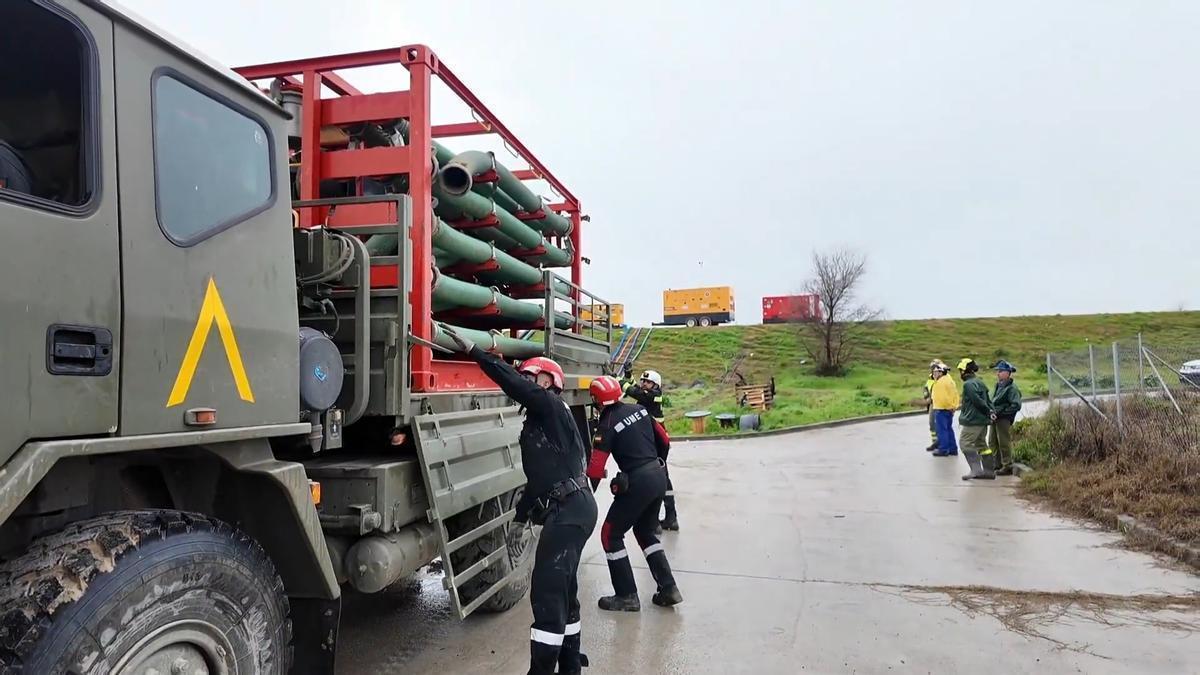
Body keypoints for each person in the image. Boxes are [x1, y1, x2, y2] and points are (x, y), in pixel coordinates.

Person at [442, 328, 598, 675]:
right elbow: (538, 482)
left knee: (545, 595)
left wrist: (477, 352)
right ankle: (570, 667)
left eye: (532, 376)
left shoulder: (551, 405)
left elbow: (515, 385)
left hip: (569, 511)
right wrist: (519, 518)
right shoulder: (543, 422)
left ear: (549, 381)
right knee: (564, 591)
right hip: (573, 507)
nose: (527, 380)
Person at [586, 375, 683, 611]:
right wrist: (655, 464)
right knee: (645, 532)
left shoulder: (606, 426)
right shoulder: (639, 409)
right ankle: (668, 588)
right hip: (659, 475)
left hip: (638, 481)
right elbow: (665, 440)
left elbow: (596, 468)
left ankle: (627, 595)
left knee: (610, 534)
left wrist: (587, 495)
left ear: (598, 402)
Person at [621, 365, 677, 531]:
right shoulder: (648, 394)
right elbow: (636, 388)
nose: (644, 384)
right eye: (643, 381)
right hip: (653, 441)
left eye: (648, 382)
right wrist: (628, 375)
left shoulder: (655, 396)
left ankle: (656, 521)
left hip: (657, 443)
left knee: (655, 480)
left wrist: (620, 382)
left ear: (656, 385)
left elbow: (634, 392)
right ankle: (670, 518)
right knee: (662, 479)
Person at [956, 357, 996, 480]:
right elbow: (987, 400)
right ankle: (989, 472)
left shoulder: (968, 385)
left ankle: (976, 470)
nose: (960, 374)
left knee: (965, 443)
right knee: (981, 444)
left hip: (973, 420)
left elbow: (977, 401)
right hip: (982, 420)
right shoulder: (979, 382)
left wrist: (988, 411)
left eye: (961, 371)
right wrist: (991, 411)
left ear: (966, 371)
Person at [988, 360, 1023, 476]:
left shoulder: (1012, 388)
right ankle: (996, 463)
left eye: (1001, 371)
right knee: (992, 441)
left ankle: (1007, 465)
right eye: (998, 371)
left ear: (1008, 373)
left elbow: (1016, 405)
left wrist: (1003, 413)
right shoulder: (998, 385)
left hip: (1003, 419)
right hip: (995, 418)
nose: (998, 373)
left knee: (1003, 442)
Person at [930, 364, 960, 457]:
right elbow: (955, 395)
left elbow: (943, 398)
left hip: (941, 408)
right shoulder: (949, 380)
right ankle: (952, 448)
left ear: (941, 372)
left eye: (936, 372)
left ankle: (943, 449)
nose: (934, 374)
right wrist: (953, 406)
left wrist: (948, 406)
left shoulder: (940, 383)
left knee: (942, 430)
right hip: (949, 409)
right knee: (948, 429)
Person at [922, 360, 946, 451]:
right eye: (932, 368)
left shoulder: (943, 378)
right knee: (932, 424)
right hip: (932, 404)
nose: (933, 370)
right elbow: (926, 389)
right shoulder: (930, 379)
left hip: (940, 404)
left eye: (935, 368)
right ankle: (935, 443)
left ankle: (941, 444)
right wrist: (926, 396)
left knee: (940, 425)